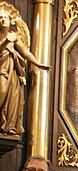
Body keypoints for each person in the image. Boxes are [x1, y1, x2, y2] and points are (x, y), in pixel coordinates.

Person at [0, 5, 49, 135]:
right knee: (2, 92)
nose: (2, 20)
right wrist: (5, 43)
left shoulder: (14, 37)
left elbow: (25, 52)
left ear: (11, 21)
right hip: (1, 70)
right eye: (0, 17)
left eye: (5, 17)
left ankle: (8, 125)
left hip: (12, 71)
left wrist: (38, 64)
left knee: (12, 97)